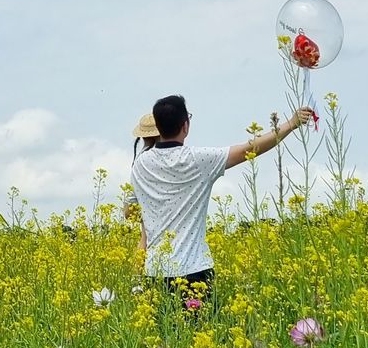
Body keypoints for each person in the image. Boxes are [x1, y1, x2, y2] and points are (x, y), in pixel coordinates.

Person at [131, 94, 314, 291]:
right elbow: (250, 149)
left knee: (162, 323)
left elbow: (132, 209)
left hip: (155, 273)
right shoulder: (198, 160)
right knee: (199, 323)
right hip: (194, 272)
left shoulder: (140, 164)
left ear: (158, 127)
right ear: (185, 126)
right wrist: (292, 123)